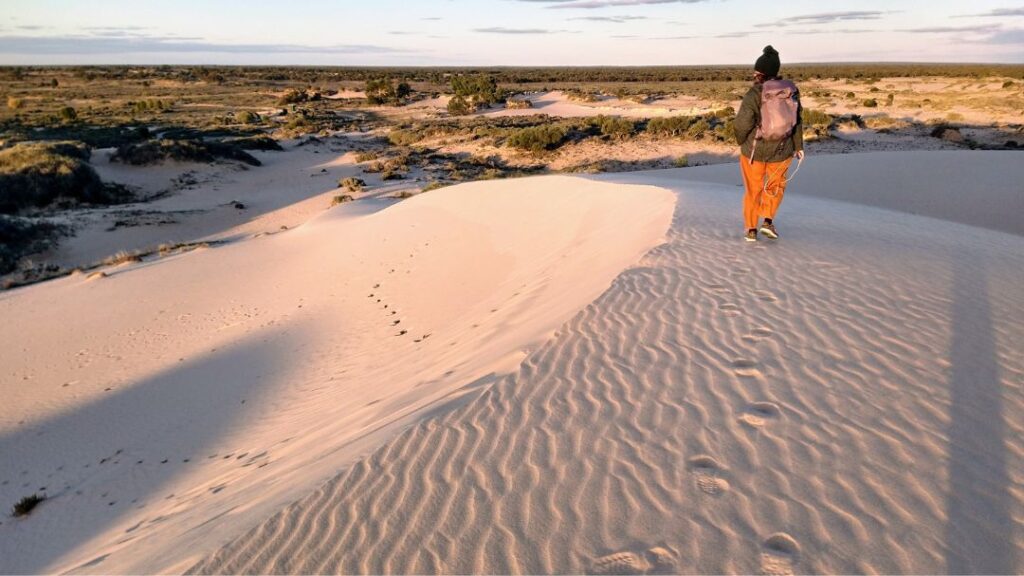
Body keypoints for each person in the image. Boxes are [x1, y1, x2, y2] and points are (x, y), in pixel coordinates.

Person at [734, 45, 804, 242]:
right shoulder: (791, 90)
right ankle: (767, 220)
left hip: (754, 152)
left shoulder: (754, 93)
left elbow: (742, 124)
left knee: (753, 190)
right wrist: (798, 146)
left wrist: (742, 142)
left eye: (756, 71)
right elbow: (798, 119)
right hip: (782, 150)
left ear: (760, 73)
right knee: (776, 186)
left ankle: (751, 229)